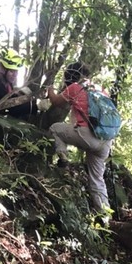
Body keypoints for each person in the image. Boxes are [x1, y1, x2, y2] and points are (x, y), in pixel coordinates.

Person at [46, 62, 113, 216]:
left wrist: (49, 88)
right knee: (97, 179)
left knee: (55, 129)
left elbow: (55, 101)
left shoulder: (76, 87)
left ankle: (63, 159)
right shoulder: (100, 89)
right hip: (105, 140)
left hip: (87, 135)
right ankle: (105, 216)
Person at [0, 49, 39, 119]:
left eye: (16, 71)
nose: (15, 75)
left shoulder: (7, 85)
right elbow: (12, 109)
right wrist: (37, 107)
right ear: (2, 69)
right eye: (12, 71)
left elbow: (13, 100)